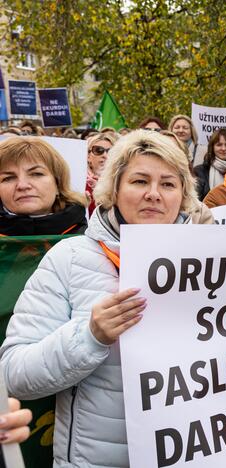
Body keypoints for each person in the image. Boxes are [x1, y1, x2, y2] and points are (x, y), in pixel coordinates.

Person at [0, 130, 213, 468]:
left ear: (184, 196)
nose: (154, 195)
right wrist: (89, 337)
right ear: (114, 189)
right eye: (139, 181)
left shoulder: (215, 262)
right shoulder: (69, 259)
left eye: (169, 184)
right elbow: (14, 373)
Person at [0, 137, 87, 236]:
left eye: (36, 174)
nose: (23, 185)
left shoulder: (92, 240)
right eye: (8, 178)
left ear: (58, 182)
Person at [193, 128, 226, 201]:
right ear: (212, 147)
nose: (223, 148)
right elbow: (195, 201)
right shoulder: (199, 171)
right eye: (219, 145)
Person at [85, 133, 117, 215]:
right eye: (98, 150)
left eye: (110, 151)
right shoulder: (80, 182)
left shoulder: (119, 182)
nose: (105, 155)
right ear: (88, 156)